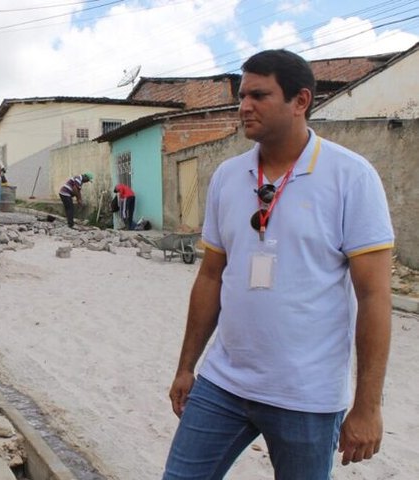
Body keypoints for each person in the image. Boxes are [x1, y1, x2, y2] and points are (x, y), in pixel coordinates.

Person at [163, 49, 394, 479]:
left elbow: (374, 296)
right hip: (224, 383)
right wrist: (186, 366)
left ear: (300, 100)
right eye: (241, 96)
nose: (244, 106)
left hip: (305, 397)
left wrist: (367, 407)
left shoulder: (351, 177)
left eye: (259, 95)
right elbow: (211, 277)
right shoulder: (227, 177)